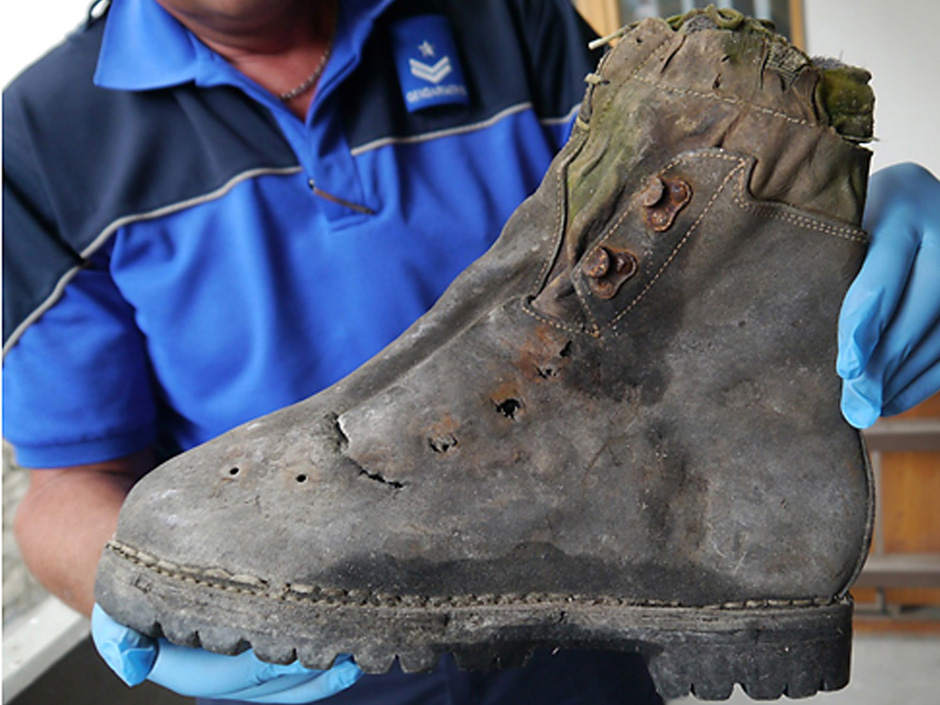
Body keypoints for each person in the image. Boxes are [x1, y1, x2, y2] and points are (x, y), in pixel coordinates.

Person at [3, 1, 938, 703]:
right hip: (307, 641)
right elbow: (64, 479)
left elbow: (677, 269)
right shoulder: (42, 138)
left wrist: (818, 223)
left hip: (584, 624)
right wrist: (138, 579)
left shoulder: (505, 18)